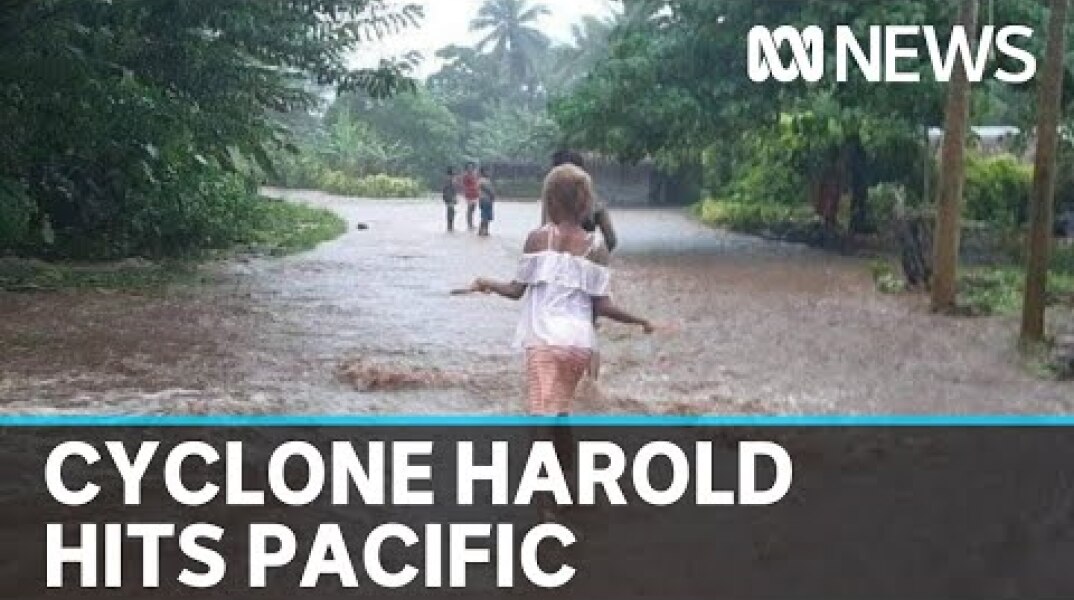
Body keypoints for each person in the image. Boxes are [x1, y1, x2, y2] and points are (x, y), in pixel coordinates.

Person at [470, 164, 652, 416]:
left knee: (540, 417)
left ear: (551, 201)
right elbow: (603, 306)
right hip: (580, 343)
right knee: (560, 412)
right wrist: (641, 320)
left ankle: (543, 456)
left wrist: (485, 282)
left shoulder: (537, 239)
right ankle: (567, 456)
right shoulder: (597, 248)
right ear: (585, 202)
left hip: (544, 339)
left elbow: (515, 290)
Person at [545, 150, 618, 252]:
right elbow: (611, 240)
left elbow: (545, 231)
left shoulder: (552, 202)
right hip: (583, 258)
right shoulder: (593, 202)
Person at [461, 162, 481, 231]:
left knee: (473, 210)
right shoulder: (466, 176)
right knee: (469, 210)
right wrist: (466, 192)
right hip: (469, 195)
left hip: (475, 194)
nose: (470, 168)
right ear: (467, 168)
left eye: (471, 167)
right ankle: (469, 225)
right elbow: (464, 185)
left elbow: (476, 183)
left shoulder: (474, 175)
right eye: (469, 167)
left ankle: (471, 224)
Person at [477, 167, 496, 237]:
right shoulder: (482, 180)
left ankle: (485, 231)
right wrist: (493, 195)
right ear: (483, 172)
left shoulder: (487, 180)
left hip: (488, 200)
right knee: (485, 216)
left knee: (488, 217)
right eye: (487, 171)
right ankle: (481, 231)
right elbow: (487, 190)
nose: (489, 173)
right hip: (484, 200)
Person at [442, 167, 459, 232]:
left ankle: (450, 227)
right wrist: (452, 198)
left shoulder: (449, 179)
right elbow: (448, 190)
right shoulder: (449, 180)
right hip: (449, 198)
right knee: (451, 213)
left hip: (448, 198)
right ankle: (450, 228)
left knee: (451, 212)